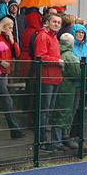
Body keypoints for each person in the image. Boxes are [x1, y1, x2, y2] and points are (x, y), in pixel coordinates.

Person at [0, 17, 25, 140]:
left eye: (12, 28)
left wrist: (13, 41)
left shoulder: (8, 39)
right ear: (3, 26)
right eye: (9, 27)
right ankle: (14, 129)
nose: (11, 30)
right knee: (6, 99)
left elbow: (17, 54)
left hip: (4, 72)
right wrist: (0, 61)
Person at [35, 12, 64, 147]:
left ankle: (44, 139)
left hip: (55, 77)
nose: (57, 24)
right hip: (46, 77)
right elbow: (40, 56)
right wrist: (57, 61)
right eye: (54, 22)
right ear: (47, 23)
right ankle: (41, 140)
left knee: (48, 110)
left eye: (59, 22)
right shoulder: (43, 36)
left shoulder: (54, 38)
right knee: (44, 110)